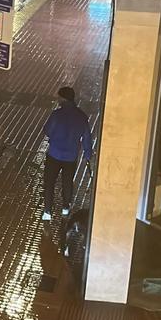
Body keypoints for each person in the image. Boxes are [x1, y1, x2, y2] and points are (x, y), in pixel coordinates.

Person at [42, 86, 92, 221]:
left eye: (59, 97)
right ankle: (65, 208)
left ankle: (47, 211)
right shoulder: (82, 116)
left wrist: (54, 137)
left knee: (50, 182)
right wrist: (88, 155)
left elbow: (47, 130)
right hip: (71, 156)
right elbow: (87, 137)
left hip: (54, 154)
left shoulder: (57, 114)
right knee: (67, 182)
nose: (57, 99)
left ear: (63, 98)